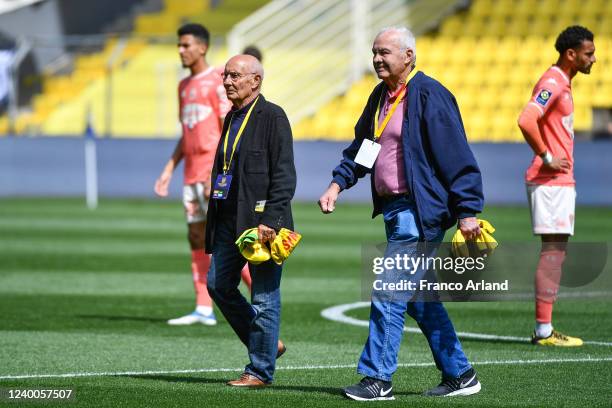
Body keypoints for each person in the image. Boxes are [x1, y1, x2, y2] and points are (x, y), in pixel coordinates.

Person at [318, 26, 484, 400]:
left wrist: (468, 210)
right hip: (395, 210)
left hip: (418, 211)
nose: (377, 58)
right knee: (417, 300)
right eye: (374, 52)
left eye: (385, 52)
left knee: (388, 291)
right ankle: (461, 374)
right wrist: (337, 184)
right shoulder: (380, 97)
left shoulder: (430, 95)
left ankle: (377, 379)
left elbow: (457, 157)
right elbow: (363, 148)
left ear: (408, 56)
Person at [206, 54, 295, 387]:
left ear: (255, 81)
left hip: (262, 224)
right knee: (217, 284)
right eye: (225, 76)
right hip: (230, 220)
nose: (227, 81)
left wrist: (271, 218)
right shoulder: (232, 116)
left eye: (234, 76)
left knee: (265, 296)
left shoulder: (273, 116)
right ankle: (268, 345)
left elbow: (284, 174)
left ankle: (259, 370)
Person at [154, 23, 252, 327]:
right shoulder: (183, 87)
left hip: (214, 174)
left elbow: (229, 129)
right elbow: (187, 133)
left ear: (202, 47)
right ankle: (203, 308)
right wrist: (169, 168)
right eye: (179, 46)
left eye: (186, 45)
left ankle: (261, 297)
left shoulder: (217, 81)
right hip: (190, 175)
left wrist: (219, 172)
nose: (181, 51)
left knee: (229, 239)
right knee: (195, 236)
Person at [517, 25, 596, 347]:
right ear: (571, 54)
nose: (595, 59)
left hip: (558, 180)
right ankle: (544, 331)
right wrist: (547, 156)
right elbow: (526, 119)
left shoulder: (562, 81)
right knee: (552, 253)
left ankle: (545, 328)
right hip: (550, 179)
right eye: (589, 53)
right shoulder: (553, 81)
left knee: (555, 252)